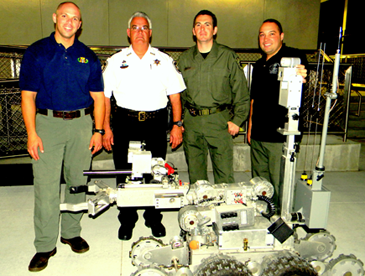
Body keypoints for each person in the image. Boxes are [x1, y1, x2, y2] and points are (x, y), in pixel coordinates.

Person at [20, 2, 105, 272]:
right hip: (47, 124)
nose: (69, 22)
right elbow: (28, 96)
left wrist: (99, 130)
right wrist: (32, 132)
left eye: (75, 18)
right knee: (45, 187)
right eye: (65, 16)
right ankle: (45, 245)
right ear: (55, 18)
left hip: (81, 124)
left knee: (77, 182)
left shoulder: (88, 56)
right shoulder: (37, 52)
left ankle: (71, 232)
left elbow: (99, 98)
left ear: (80, 25)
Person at [102, 11, 186, 241]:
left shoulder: (164, 60)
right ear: (129, 33)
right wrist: (106, 128)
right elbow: (105, 97)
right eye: (135, 28)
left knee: (155, 172)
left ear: (150, 32)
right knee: (125, 173)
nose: (140, 32)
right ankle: (127, 219)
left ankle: (153, 218)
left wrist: (177, 125)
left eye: (144, 28)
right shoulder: (116, 61)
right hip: (124, 123)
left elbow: (175, 97)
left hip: (155, 124)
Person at [177, 10, 250, 185]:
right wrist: (179, 122)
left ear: (215, 30)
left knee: (224, 174)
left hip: (219, 121)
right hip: (192, 122)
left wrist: (238, 120)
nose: (202, 29)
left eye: (207, 25)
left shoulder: (227, 56)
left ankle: (223, 210)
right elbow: (178, 94)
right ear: (193, 31)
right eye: (198, 25)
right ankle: (202, 208)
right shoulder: (185, 59)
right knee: (196, 175)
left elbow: (241, 91)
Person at [247, 19, 308, 209]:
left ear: (281, 36)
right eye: (262, 34)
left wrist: (303, 74)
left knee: (280, 183)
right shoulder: (258, 65)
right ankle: (264, 214)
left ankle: (281, 220)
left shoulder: (293, 58)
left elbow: (302, 74)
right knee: (260, 183)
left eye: (271, 33)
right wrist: (250, 127)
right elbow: (253, 99)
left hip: (281, 135)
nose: (266, 38)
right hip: (259, 134)